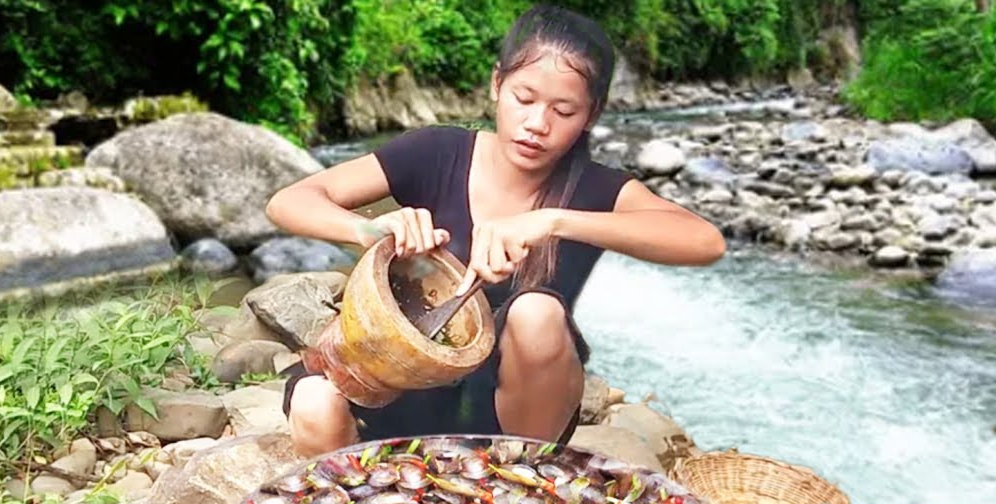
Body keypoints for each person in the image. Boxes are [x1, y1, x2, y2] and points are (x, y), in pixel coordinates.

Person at [265, 4, 725, 458]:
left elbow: (704, 241)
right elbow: (288, 201)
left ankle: (526, 480)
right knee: (314, 402)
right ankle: (360, 493)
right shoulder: (437, 152)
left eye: (564, 111)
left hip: (502, 421)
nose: (537, 124)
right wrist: (367, 229)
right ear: (496, 84)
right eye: (524, 99)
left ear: (591, 115)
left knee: (536, 311)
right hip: (392, 385)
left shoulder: (594, 188)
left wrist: (554, 221)